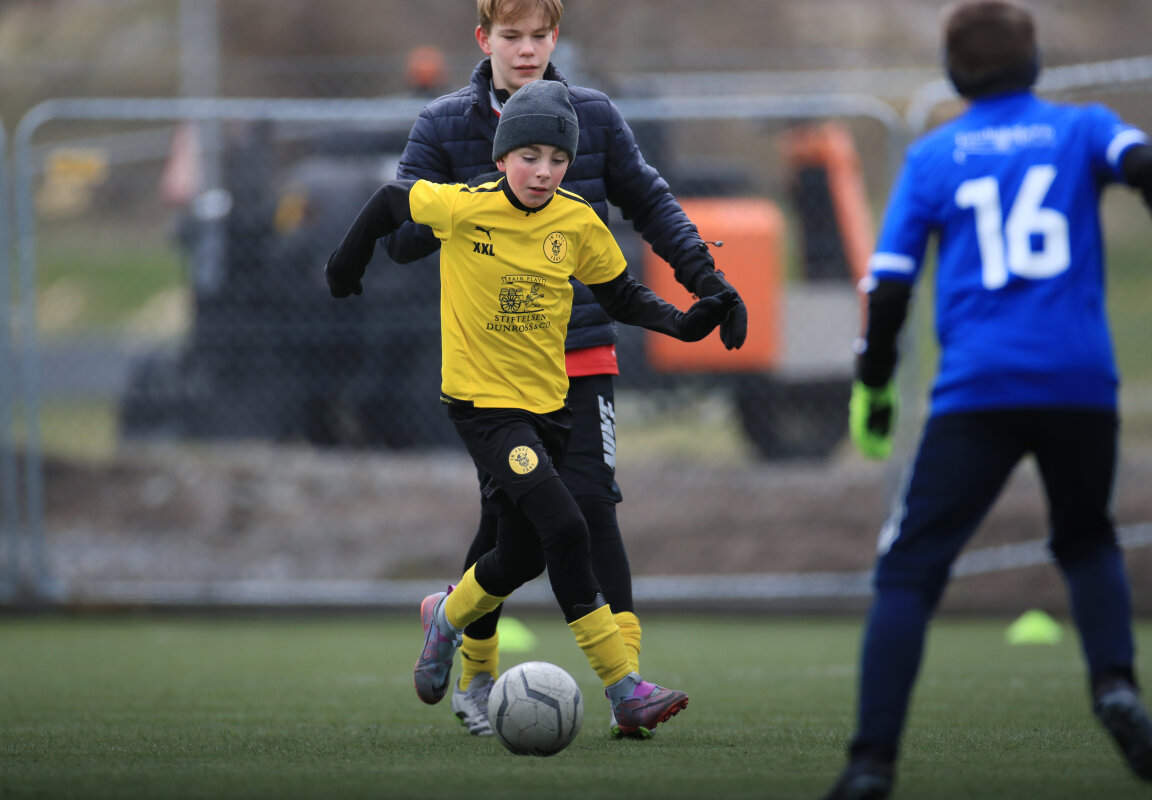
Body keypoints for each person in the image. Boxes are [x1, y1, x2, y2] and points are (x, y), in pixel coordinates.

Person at [326, 79, 737, 738]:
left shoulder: (576, 220)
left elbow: (622, 294)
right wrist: (345, 268)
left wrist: (685, 324)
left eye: (557, 159)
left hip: (551, 408)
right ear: (501, 157)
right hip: (483, 408)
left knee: (517, 557)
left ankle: (445, 616)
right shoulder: (464, 206)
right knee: (569, 528)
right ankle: (625, 689)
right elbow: (387, 202)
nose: (544, 171)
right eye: (529, 157)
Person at [823, 2, 1152, 798]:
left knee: (910, 571)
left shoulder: (935, 155)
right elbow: (1141, 163)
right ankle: (1115, 684)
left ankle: (871, 764)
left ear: (954, 74)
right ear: (1032, 63)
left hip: (977, 390)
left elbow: (889, 286)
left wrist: (874, 384)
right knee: (1086, 539)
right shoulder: (1082, 128)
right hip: (1079, 383)